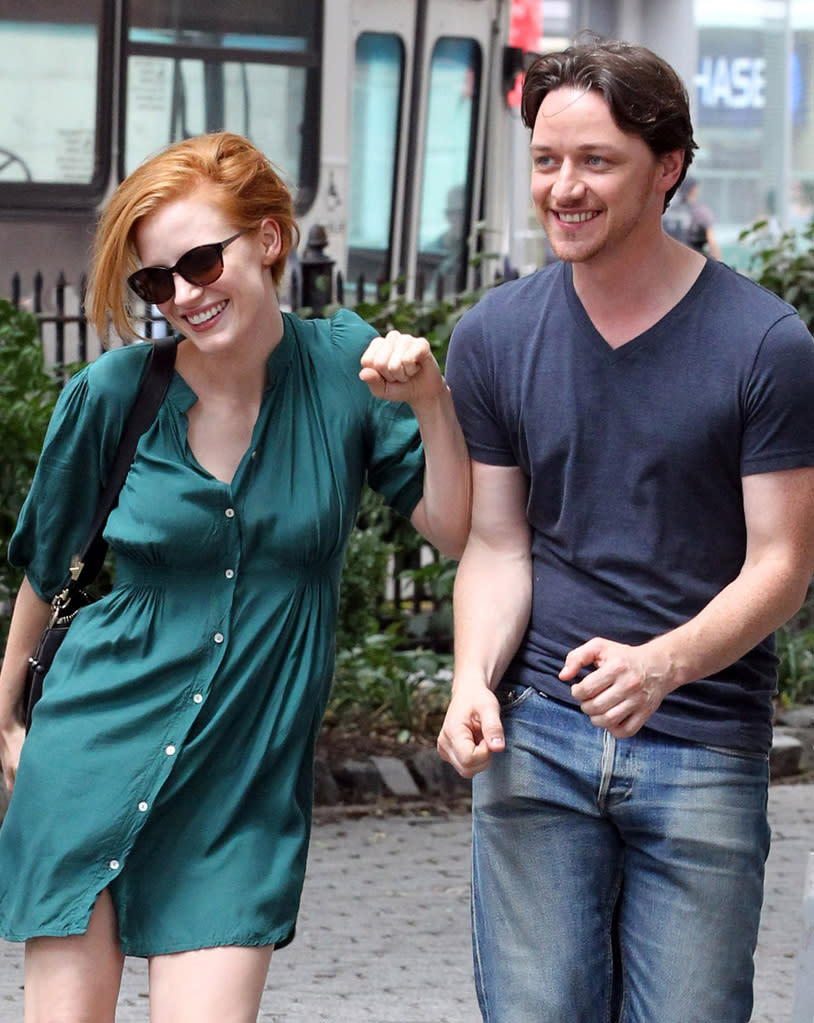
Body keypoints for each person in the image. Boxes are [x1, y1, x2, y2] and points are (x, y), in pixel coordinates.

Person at [0, 131, 471, 1022]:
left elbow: (451, 527)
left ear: (268, 238)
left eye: (201, 261)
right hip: (91, 746)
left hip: (241, 781)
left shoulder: (343, 369)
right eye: (156, 281)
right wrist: (4, 715)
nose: (184, 295)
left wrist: (430, 403)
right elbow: (47, 567)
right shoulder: (113, 394)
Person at [437, 37, 814, 1023]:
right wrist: (471, 678)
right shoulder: (492, 337)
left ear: (668, 168)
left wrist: (661, 666)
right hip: (538, 736)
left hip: (701, 748)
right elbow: (495, 543)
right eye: (545, 160)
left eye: (595, 161)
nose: (563, 188)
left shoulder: (765, 346)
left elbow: (781, 566)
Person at [663, 173, 722, 258]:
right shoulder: (700, 213)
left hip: (670, 260)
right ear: (694, 189)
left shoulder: (668, 211)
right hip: (693, 262)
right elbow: (712, 243)